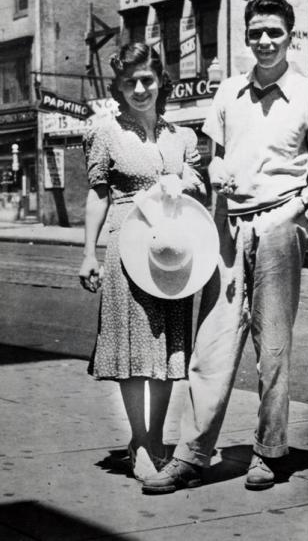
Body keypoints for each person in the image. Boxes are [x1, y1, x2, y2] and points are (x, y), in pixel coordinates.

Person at [142, 0, 308, 494]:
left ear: (290, 36)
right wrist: (216, 171)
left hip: (279, 227)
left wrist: (295, 210)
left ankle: (268, 453)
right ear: (247, 36)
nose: (265, 41)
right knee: (211, 345)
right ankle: (191, 456)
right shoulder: (229, 92)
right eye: (256, 33)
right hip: (230, 230)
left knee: (272, 348)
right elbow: (213, 158)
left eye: (274, 31)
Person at [79, 42, 203, 483]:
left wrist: (185, 178)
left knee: (167, 350)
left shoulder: (181, 136)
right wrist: (88, 252)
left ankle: (151, 437)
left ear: (160, 81)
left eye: (147, 79)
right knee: (133, 350)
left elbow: (198, 182)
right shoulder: (106, 132)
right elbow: (98, 194)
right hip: (124, 244)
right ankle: (143, 445)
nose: (139, 88)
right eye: (130, 81)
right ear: (118, 85)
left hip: (169, 252)